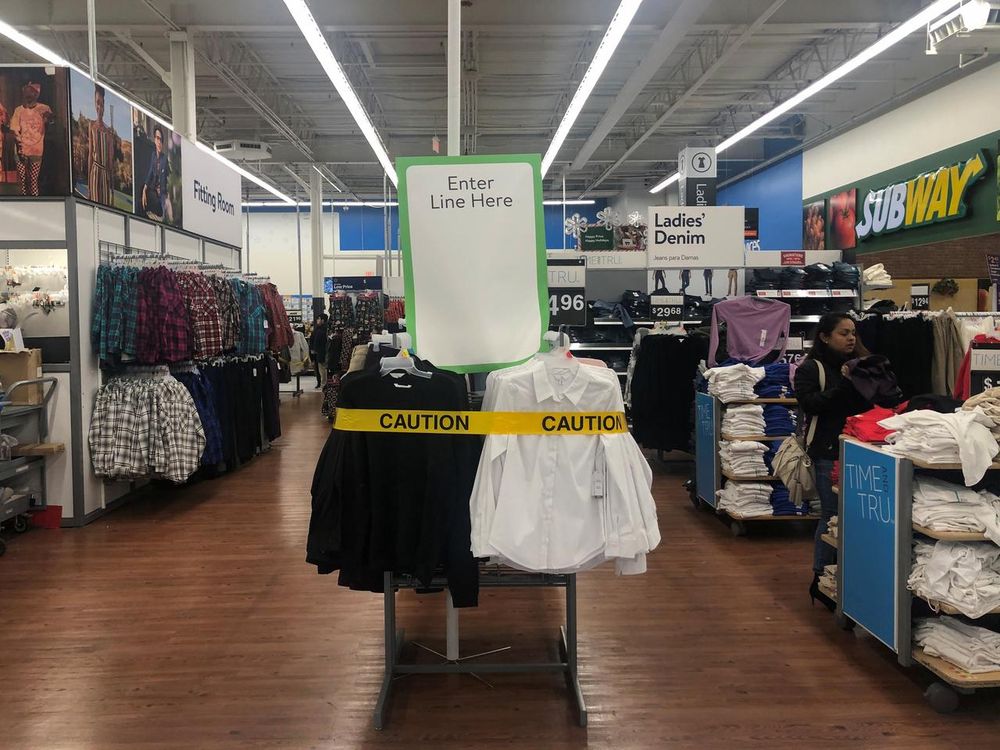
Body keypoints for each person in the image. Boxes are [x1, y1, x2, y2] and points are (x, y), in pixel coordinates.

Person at [794, 313, 883, 610]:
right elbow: (811, 405)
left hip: (862, 450)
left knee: (858, 516)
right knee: (831, 515)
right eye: (843, 333)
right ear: (824, 336)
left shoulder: (862, 366)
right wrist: (846, 384)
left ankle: (849, 577)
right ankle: (822, 578)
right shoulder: (811, 369)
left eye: (853, 333)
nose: (851, 338)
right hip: (827, 451)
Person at [10, 81, 54, 196]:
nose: (29, 95)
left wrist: (48, 120)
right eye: (27, 92)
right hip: (21, 150)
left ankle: (34, 202)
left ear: (36, 94)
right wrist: (20, 148)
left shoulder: (44, 109)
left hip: (36, 150)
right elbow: (15, 130)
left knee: (33, 181)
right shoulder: (18, 110)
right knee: (23, 181)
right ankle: (25, 202)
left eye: (32, 92)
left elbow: (51, 124)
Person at [86, 84, 121, 207]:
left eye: (101, 103)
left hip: (105, 173)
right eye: (97, 103)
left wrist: (112, 186)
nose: (99, 107)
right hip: (95, 171)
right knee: (94, 205)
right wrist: (89, 185)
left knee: (105, 207)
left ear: (105, 105)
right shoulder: (91, 125)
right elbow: (91, 154)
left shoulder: (109, 132)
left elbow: (110, 161)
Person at [141, 125, 169, 220]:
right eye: (157, 138)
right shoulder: (153, 155)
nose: (159, 142)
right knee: (146, 194)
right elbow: (150, 173)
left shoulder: (164, 159)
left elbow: (164, 179)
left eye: (161, 139)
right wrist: (145, 188)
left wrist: (162, 192)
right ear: (154, 139)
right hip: (152, 190)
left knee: (160, 211)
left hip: (161, 193)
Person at [310, 313, 329, 388]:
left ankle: (323, 384)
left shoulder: (323, 329)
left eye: (318, 319)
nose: (317, 320)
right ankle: (320, 383)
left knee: (322, 369)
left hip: (321, 352)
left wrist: (314, 349)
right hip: (317, 352)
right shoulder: (318, 329)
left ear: (323, 320)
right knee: (318, 369)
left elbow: (319, 341)